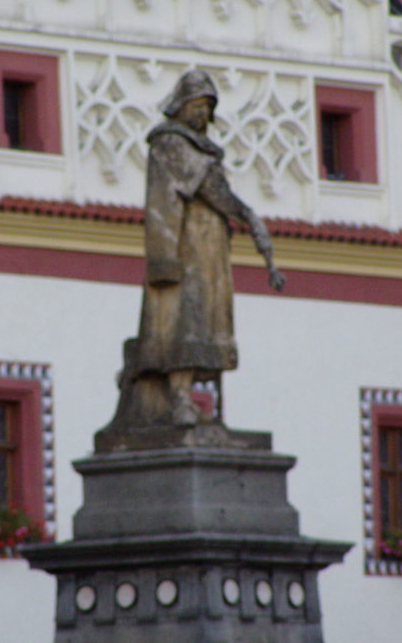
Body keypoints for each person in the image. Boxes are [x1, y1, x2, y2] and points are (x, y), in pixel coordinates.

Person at [121, 69, 285, 428]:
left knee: (209, 320)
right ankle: (179, 399)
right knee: (185, 320)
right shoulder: (171, 143)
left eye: (207, 107)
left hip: (209, 249)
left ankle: (200, 403)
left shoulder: (198, 147)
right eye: (196, 105)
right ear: (179, 106)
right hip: (185, 248)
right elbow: (210, 188)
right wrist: (247, 215)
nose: (201, 113)